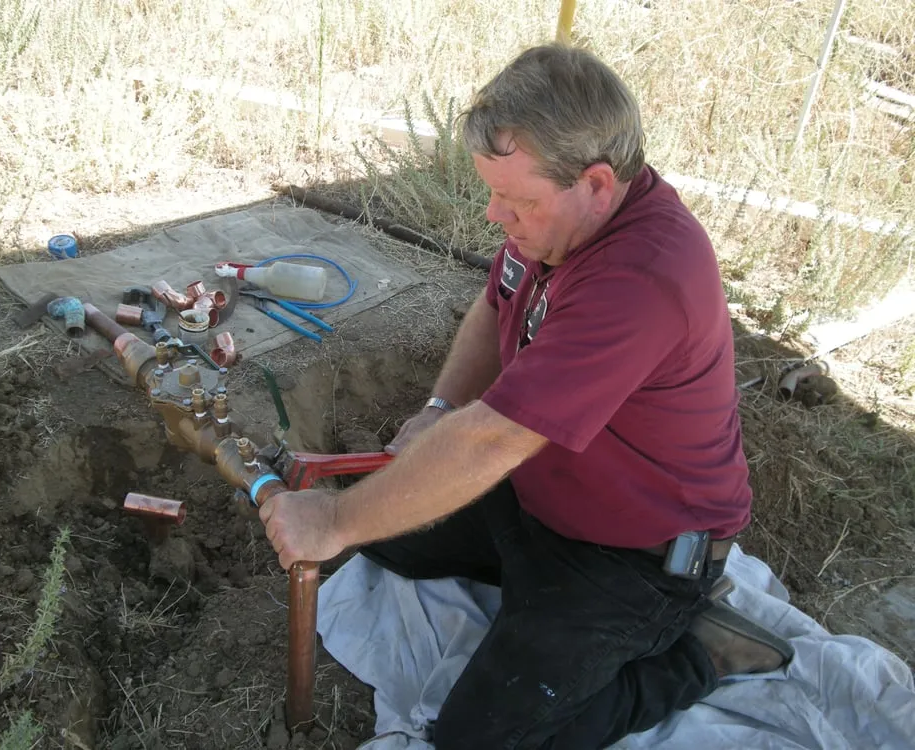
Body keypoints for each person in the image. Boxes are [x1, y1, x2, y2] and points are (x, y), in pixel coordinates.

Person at [260, 44, 793, 749]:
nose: (493, 214)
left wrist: (331, 522)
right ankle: (528, 592)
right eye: (493, 193)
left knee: (484, 739)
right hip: (538, 496)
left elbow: (494, 441)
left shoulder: (642, 278)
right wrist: (440, 412)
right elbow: (494, 305)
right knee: (390, 539)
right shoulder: (555, 223)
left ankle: (701, 654)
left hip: (633, 554)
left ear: (598, 184)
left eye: (515, 200)